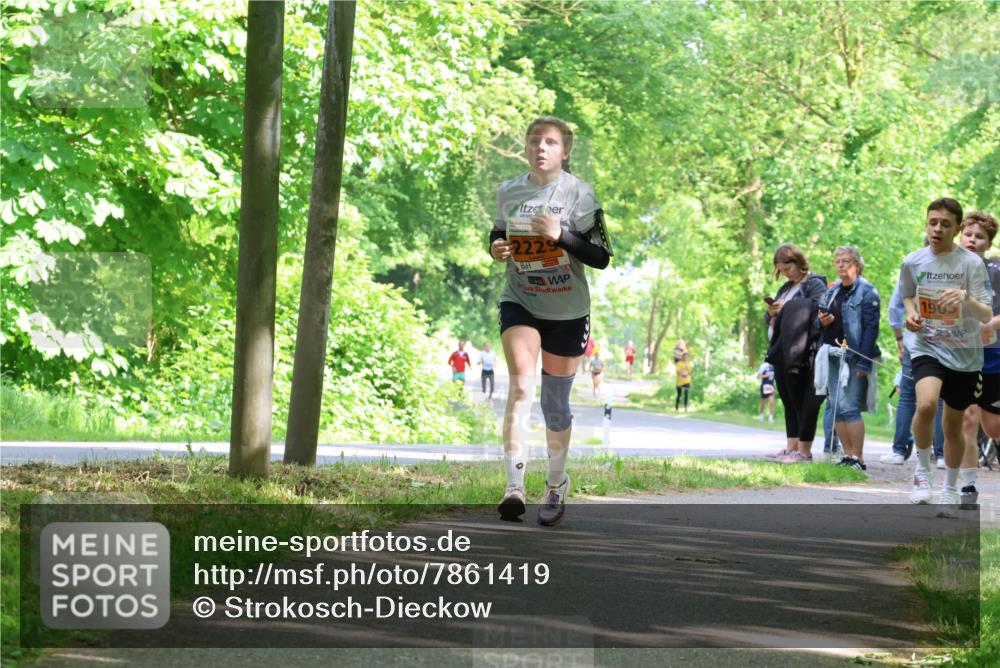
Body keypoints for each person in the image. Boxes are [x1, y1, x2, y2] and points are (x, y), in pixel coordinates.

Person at [488, 115, 613, 525]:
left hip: (567, 309)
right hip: (521, 299)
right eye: (534, 141)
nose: (541, 148)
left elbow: (601, 259)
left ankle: (556, 485)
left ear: (565, 151)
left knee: (554, 403)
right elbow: (497, 232)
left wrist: (561, 236)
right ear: (526, 148)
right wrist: (497, 248)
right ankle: (513, 486)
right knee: (522, 384)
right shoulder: (509, 191)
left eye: (550, 142)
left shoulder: (580, 195)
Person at [900, 198, 992, 505]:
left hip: (964, 352)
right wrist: (911, 315)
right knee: (925, 405)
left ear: (957, 228)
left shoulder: (971, 263)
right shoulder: (913, 261)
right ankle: (922, 471)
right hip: (927, 344)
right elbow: (908, 296)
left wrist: (964, 299)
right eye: (932, 222)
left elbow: (984, 313)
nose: (937, 228)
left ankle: (951, 488)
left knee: (953, 424)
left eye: (945, 224)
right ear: (926, 223)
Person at [815, 247, 881, 472]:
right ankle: (847, 455)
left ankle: (858, 458)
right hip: (832, 355)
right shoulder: (832, 291)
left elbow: (872, 329)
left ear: (857, 265)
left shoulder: (867, 291)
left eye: (846, 261)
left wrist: (864, 362)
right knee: (837, 406)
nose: (841, 265)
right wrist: (822, 321)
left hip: (855, 356)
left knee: (851, 407)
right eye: (837, 261)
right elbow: (818, 321)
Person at [764, 244, 828, 463]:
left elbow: (818, 312)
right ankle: (791, 447)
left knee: (802, 400)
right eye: (781, 270)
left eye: (788, 268)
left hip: (803, 351)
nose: (785, 273)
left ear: (799, 262)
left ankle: (803, 450)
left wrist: (789, 309)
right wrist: (771, 312)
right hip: (782, 349)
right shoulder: (785, 288)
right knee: (788, 399)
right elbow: (773, 320)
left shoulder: (814, 284)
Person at [957, 211, 1000, 508]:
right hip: (960, 353)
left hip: (994, 354)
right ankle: (968, 487)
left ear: (988, 243)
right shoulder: (945, 267)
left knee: (993, 427)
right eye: (968, 234)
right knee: (967, 419)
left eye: (979, 236)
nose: (972, 240)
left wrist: (991, 324)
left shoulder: (997, 270)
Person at [881, 274, 946, 466]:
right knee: (941, 397)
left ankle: (898, 451)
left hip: (914, 340)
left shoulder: (914, 267)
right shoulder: (953, 268)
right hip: (946, 340)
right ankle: (941, 454)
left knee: (907, 395)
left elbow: (894, 307)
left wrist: (899, 338)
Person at [674, 345, 692, 411]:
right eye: (684, 357)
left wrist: (687, 370)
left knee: (686, 393)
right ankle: (676, 407)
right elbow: (677, 371)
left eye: (686, 357)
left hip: (687, 381)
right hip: (679, 381)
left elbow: (690, 371)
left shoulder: (689, 363)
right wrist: (682, 372)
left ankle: (686, 407)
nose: (685, 358)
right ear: (682, 357)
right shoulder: (679, 363)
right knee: (679, 395)